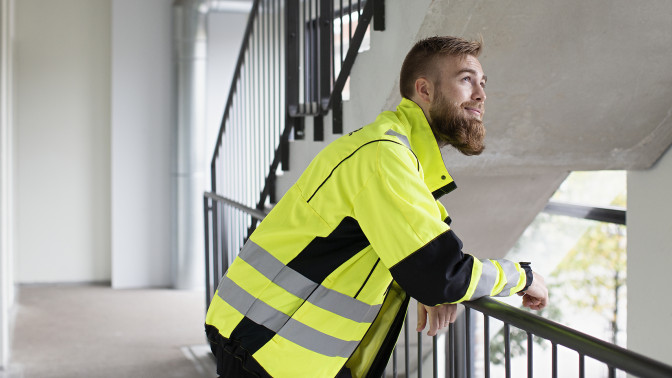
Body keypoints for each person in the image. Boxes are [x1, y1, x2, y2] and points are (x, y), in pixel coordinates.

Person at [205, 35, 549, 378]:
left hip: (270, 339)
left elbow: (418, 258)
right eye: (466, 80)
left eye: (482, 83)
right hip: (267, 346)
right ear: (425, 91)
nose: (480, 95)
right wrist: (522, 276)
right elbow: (441, 272)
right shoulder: (385, 157)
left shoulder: (392, 150)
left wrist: (422, 280)